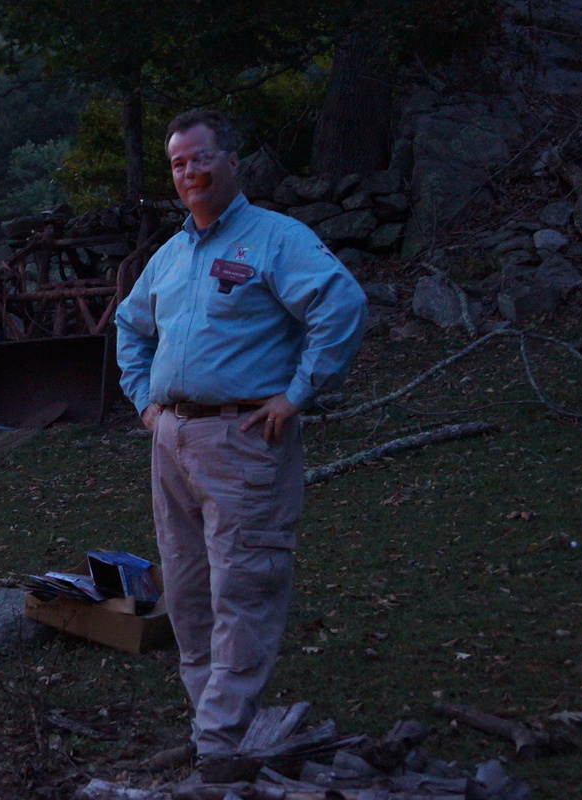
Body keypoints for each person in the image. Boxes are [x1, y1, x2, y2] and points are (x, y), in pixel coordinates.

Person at [115, 109, 367, 770]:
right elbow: (129, 325)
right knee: (187, 593)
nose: (190, 173)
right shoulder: (171, 256)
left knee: (244, 587)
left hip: (244, 438)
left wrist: (298, 393)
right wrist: (146, 405)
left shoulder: (275, 239)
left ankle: (219, 743)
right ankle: (215, 728)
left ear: (231, 161)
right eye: (178, 163)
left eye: (201, 158)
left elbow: (341, 305)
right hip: (172, 440)